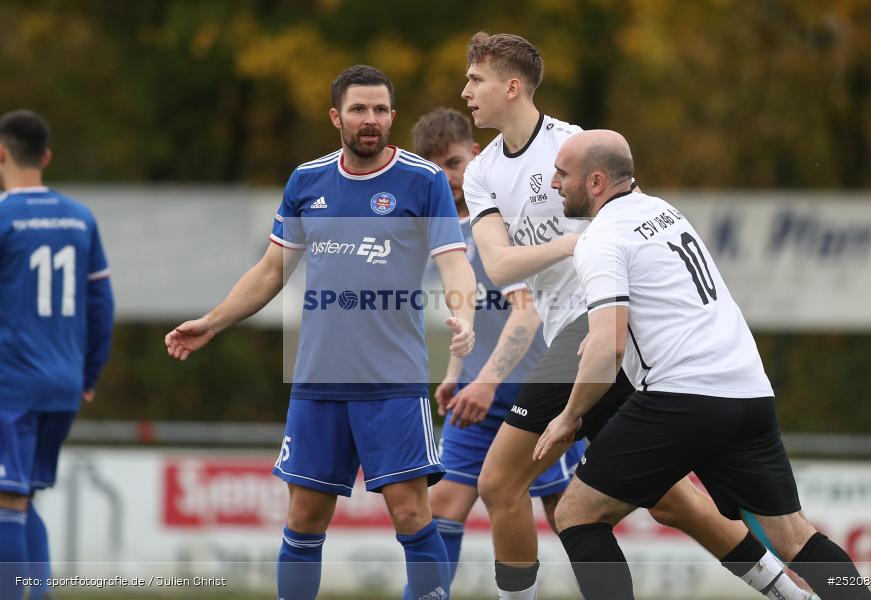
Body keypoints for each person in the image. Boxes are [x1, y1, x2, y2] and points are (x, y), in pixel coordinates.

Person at [461, 32, 817, 600]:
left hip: (596, 329)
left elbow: (625, 222)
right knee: (680, 502)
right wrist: (573, 244)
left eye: (475, 80)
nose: (466, 92)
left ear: (511, 86)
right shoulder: (481, 174)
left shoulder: (576, 148)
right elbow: (500, 266)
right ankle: (800, 590)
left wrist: (585, 246)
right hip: (720, 382)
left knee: (503, 482)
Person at [164, 65, 476, 600]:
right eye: (358, 109)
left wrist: (462, 312)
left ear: (393, 117)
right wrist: (212, 321)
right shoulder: (307, 181)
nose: (370, 120)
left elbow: (454, 262)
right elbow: (270, 271)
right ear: (336, 116)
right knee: (305, 517)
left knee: (409, 511)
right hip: (318, 379)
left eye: (380, 109)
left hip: (393, 380)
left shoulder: (423, 181)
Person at [535, 129, 871, 600]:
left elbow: (608, 349)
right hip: (749, 390)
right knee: (794, 536)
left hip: (684, 397)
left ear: (595, 182)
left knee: (577, 513)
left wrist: (568, 417)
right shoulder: (664, 212)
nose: (553, 183)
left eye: (561, 173)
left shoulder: (601, 238)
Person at [405, 108, 586, 596]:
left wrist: (485, 381)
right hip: (476, 399)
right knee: (442, 507)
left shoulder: (500, 226)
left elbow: (526, 315)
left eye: (454, 162)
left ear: (477, 155)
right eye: (434, 167)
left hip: (533, 395)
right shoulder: (447, 236)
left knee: (569, 514)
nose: (447, 177)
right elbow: (470, 317)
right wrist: (455, 373)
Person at [0, 109, 114, 600]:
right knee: (22, 498)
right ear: (45, 156)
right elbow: (102, 307)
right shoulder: (80, 217)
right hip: (64, 385)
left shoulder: (3, 216)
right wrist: (87, 374)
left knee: (7, 501)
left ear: (1, 155)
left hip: (11, 385)